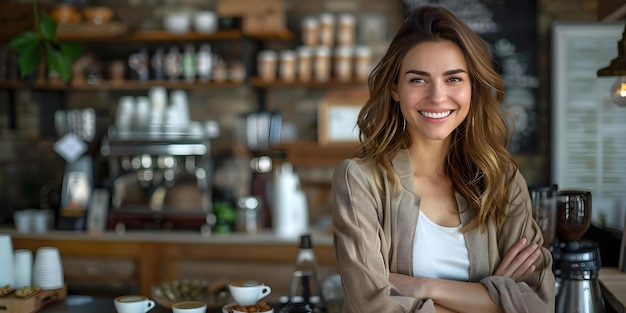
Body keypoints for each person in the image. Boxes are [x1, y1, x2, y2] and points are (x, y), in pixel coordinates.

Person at [331, 5, 555, 313]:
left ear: (473, 87)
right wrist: (492, 299)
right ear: (395, 89)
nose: (437, 96)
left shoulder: (502, 180)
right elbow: (372, 307)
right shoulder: (361, 180)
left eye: (453, 79)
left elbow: (538, 303)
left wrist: (425, 287)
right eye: (418, 80)